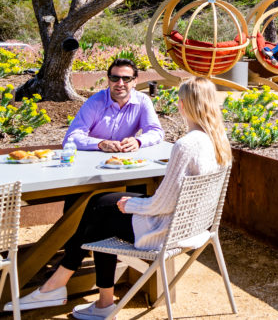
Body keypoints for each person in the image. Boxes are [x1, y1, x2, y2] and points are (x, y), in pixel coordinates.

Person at [8, 77, 231, 319]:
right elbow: (171, 198)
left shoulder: (186, 146)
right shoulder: (218, 141)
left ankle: (65, 288)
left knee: (102, 213)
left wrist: (131, 205)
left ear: (183, 105)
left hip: (164, 232)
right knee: (102, 203)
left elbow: (163, 203)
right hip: (194, 228)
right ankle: (72, 288)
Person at [64, 58, 164, 153]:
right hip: (93, 158)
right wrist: (100, 144)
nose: (120, 83)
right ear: (108, 80)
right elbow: (71, 138)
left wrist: (138, 142)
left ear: (135, 81)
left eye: (126, 78)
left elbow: (156, 132)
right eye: (114, 78)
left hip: (126, 160)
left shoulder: (142, 101)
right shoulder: (94, 103)